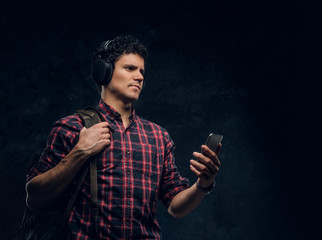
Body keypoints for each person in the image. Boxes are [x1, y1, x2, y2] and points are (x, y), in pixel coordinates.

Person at [25, 35, 221, 239]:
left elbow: (175, 207)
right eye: (130, 68)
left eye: (142, 71)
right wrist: (79, 152)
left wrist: (202, 185)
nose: (140, 77)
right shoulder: (72, 127)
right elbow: (35, 197)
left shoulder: (158, 136)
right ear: (103, 72)